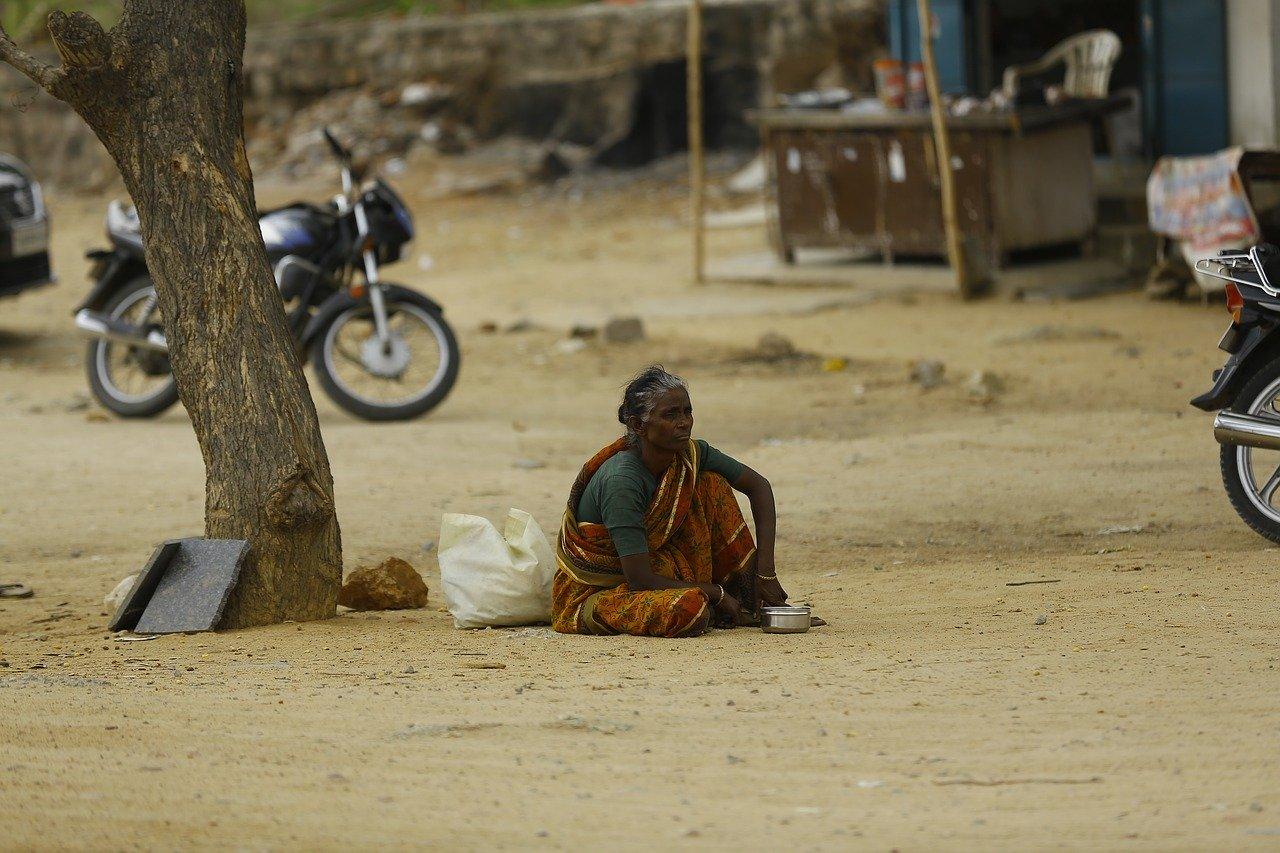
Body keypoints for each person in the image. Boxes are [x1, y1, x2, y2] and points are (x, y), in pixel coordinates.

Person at [552, 365, 821, 637]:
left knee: (710, 483)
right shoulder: (622, 479)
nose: (684, 422)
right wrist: (715, 593)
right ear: (638, 425)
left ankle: (751, 600)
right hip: (603, 590)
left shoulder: (690, 453)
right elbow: (639, 579)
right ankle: (722, 604)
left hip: (660, 568)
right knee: (688, 608)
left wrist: (765, 575)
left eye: (687, 412)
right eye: (671, 415)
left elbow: (759, 487)